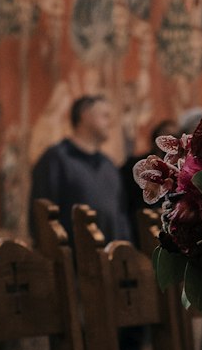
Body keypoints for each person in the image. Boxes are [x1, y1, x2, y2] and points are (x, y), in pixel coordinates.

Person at [30, 94, 131, 244]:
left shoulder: (109, 166)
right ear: (85, 115)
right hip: (71, 260)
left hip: (110, 261)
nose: (110, 123)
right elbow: (41, 216)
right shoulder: (56, 159)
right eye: (105, 115)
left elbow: (121, 215)